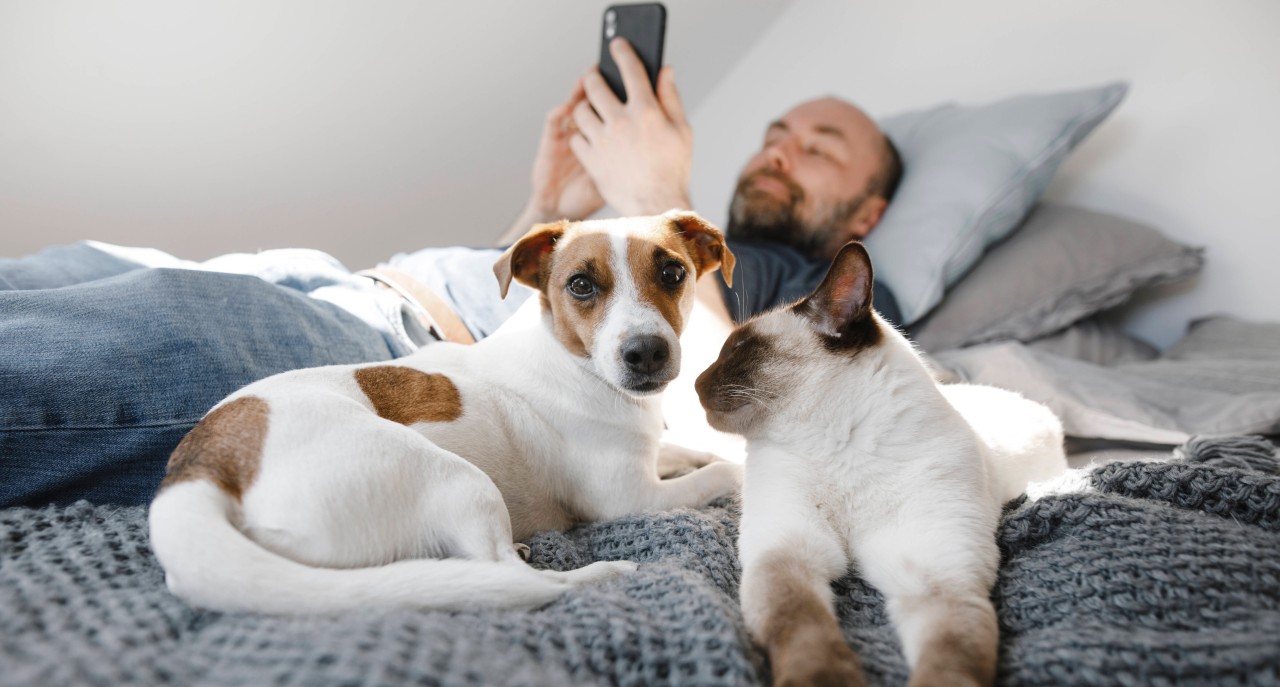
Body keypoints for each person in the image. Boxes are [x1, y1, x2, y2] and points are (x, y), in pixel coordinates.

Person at [0, 39, 903, 509]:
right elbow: (518, 301)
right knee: (48, 276)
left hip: (388, 348)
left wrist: (658, 188)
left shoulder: (811, 288)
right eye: (778, 133)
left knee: (58, 359)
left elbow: (723, 395)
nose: (783, 152)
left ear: (866, 216)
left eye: (821, 148)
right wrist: (542, 207)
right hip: (351, 281)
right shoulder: (627, 221)